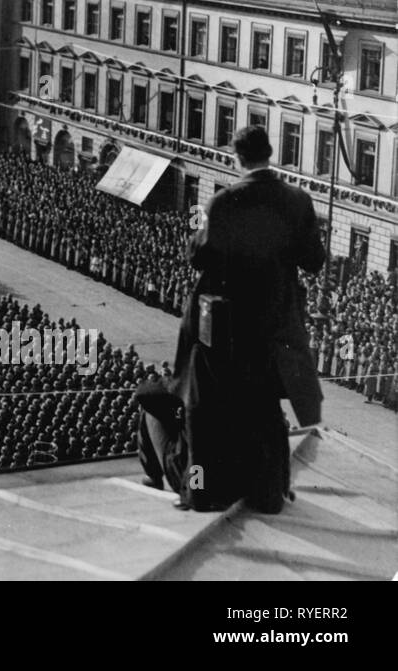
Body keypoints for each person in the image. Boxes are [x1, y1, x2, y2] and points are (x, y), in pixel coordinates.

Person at [136, 126, 325, 514]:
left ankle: (197, 489)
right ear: (270, 153)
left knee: (196, 409)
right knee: (264, 407)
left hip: (223, 329)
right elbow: (314, 261)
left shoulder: (225, 201)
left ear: (236, 157)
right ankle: (270, 490)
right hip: (272, 329)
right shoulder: (299, 201)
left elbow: (199, 256)